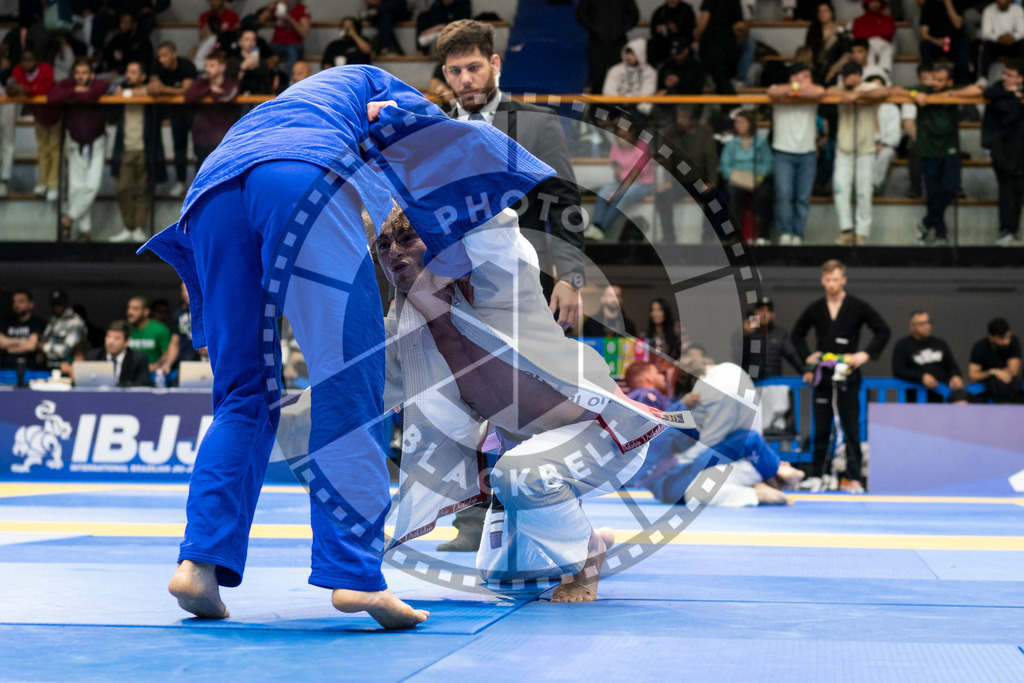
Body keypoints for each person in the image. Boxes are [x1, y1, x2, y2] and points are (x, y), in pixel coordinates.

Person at [140, 65, 553, 627]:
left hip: (209, 198)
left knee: (242, 396)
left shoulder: (292, 107)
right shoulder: (372, 82)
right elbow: (418, 127)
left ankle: (199, 564)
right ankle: (356, 577)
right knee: (351, 381)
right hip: (301, 182)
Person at [367, 210, 692, 600]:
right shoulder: (404, 334)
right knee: (503, 575)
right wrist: (276, 413)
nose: (393, 252)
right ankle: (578, 531)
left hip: (599, 435)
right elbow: (348, 393)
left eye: (407, 237)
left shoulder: (497, 282)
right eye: (383, 245)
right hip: (524, 447)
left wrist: (426, 191)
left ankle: (587, 557)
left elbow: (497, 220)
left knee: (520, 474)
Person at [435, 18, 587, 549]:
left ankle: (546, 514)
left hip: (526, 286)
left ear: (494, 64)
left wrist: (569, 277)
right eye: (454, 71)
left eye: (473, 67)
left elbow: (564, 205)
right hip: (458, 288)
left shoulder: (537, 125)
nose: (465, 79)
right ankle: (472, 519)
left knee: (531, 400)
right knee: (457, 399)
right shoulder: (436, 129)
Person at [630, 356, 804, 507]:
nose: (661, 377)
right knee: (749, 440)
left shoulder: (691, 402)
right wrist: (681, 408)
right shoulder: (651, 399)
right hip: (673, 481)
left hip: (678, 480)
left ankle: (766, 481)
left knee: (747, 440)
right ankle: (771, 477)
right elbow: (659, 444)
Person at [791, 260, 890, 493]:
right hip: (823, 374)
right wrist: (808, 357)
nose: (832, 284)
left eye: (836, 280)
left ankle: (853, 477)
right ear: (822, 280)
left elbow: (882, 330)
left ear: (843, 280)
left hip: (848, 374)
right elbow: (797, 334)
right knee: (821, 427)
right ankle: (817, 475)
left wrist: (865, 354)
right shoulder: (816, 308)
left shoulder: (857, 306)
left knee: (851, 427)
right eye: (828, 280)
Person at [828, 61, 889, 246]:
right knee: (840, 190)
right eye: (843, 75)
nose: (845, 78)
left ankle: (862, 232)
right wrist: (847, 94)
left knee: (864, 191)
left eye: (849, 75)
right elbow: (827, 92)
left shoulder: (869, 87)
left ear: (858, 75)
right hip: (844, 150)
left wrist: (858, 95)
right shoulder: (839, 90)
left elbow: (883, 92)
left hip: (865, 150)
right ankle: (846, 229)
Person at [48, 58, 108, 242]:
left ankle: (69, 217)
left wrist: (75, 95)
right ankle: (85, 231)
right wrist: (74, 91)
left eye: (84, 73)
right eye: (78, 73)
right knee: (76, 189)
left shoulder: (98, 83)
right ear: (74, 74)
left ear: (91, 74)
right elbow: (52, 97)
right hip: (74, 142)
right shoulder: (68, 85)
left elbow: (92, 94)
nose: (81, 77)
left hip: (96, 142)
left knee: (92, 186)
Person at [767, 63, 825, 246]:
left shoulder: (812, 90)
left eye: (809, 76)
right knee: (784, 195)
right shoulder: (780, 88)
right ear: (793, 77)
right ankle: (785, 232)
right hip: (783, 151)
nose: (809, 80)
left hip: (807, 152)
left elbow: (819, 92)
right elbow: (773, 92)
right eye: (804, 76)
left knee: (802, 197)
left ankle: (798, 234)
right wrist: (797, 89)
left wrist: (796, 91)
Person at [109, 60, 167, 243]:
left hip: (146, 148)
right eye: (127, 71)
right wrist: (121, 94)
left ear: (143, 76)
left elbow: (158, 91)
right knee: (123, 187)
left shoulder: (150, 92)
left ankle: (140, 228)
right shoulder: (118, 91)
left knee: (144, 189)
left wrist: (131, 93)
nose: (128, 75)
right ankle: (128, 227)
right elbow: (108, 111)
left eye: (133, 72)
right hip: (125, 148)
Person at [909, 63, 961, 246]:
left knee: (951, 187)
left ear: (950, 82)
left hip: (950, 149)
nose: (935, 83)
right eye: (934, 79)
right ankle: (940, 234)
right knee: (933, 193)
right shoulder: (925, 89)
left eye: (940, 80)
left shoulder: (954, 90)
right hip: (928, 150)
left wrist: (951, 95)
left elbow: (977, 89)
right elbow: (898, 89)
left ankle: (926, 223)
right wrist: (916, 95)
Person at [737, 296, 804, 433]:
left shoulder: (780, 334)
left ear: (773, 314)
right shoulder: (746, 333)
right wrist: (744, 336)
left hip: (773, 388)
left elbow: (793, 356)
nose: (764, 314)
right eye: (760, 310)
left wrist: (806, 371)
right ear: (755, 312)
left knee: (774, 426)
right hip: (751, 387)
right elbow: (735, 359)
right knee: (751, 426)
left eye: (768, 311)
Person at [585, 118, 656, 243]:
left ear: (633, 133)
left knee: (622, 196)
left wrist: (617, 192)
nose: (621, 139)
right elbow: (617, 173)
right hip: (621, 183)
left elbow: (634, 175)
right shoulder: (615, 147)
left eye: (625, 135)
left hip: (642, 184)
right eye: (618, 136)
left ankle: (601, 228)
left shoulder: (643, 146)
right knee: (602, 193)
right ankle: (595, 225)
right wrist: (618, 182)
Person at [6, 49, 59, 202]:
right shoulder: (17, 71)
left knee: (54, 149)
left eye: (29, 60)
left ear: (37, 61)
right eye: (23, 60)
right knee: (42, 148)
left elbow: (46, 89)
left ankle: (53, 185)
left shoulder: (46, 69)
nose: (26, 63)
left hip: (54, 113)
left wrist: (27, 90)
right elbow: (12, 89)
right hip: (39, 115)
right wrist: (13, 90)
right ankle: (43, 182)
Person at [983, 59, 1024, 246]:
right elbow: (1008, 116)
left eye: (1010, 75)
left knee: (1018, 190)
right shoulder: (997, 92)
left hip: (1019, 149)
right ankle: (1006, 229)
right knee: (1006, 189)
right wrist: (1015, 98)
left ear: (1020, 78)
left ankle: (1013, 231)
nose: (1005, 77)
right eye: (1005, 73)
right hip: (1001, 148)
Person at [148, 41, 197, 198]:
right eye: (160, 56)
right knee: (175, 147)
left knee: (195, 148)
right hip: (170, 111)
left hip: (191, 111)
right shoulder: (157, 67)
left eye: (165, 55)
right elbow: (152, 88)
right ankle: (177, 181)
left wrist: (164, 89)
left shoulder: (187, 66)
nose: (161, 59)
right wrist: (169, 90)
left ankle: (198, 182)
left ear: (174, 53)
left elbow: (187, 90)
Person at [719, 110, 773, 245]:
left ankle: (762, 234)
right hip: (736, 181)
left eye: (742, 122)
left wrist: (758, 179)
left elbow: (768, 164)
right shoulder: (731, 144)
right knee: (731, 195)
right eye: (736, 122)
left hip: (757, 179)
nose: (738, 125)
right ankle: (734, 235)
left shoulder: (760, 142)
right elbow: (725, 167)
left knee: (764, 194)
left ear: (750, 124)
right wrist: (736, 178)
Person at [184, 50, 241, 170]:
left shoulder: (231, 84)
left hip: (223, 139)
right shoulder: (201, 83)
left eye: (212, 66)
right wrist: (209, 90)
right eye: (206, 66)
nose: (207, 69)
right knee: (201, 172)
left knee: (223, 172)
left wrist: (211, 95)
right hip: (201, 138)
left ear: (222, 67)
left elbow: (228, 97)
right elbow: (188, 96)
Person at [891, 310, 965, 402]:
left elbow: (952, 365)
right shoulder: (903, 345)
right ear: (912, 327)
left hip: (943, 395)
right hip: (916, 397)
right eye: (921, 324)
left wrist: (955, 375)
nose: (926, 326)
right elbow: (898, 370)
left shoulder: (940, 343)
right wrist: (921, 377)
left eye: (928, 322)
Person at [576, 0, 639, 94]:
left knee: (621, 75)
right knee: (597, 76)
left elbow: (634, 15)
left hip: (619, 42)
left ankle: (618, 107)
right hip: (597, 42)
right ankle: (595, 106)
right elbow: (580, 14)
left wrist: (622, 29)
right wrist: (594, 29)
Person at [694, 0, 745, 95]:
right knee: (721, 77)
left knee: (718, 75)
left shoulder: (709, 2)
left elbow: (704, 19)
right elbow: (739, 25)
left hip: (712, 43)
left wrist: (696, 36)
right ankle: (729, 105)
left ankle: (732, 103)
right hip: (729, 42)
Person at [968, 317, 1022, 403]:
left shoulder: (1013, 342)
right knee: (994, 383)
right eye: (1002, 338)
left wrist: (1000, 373)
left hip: (1010, 381)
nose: (1006, 341)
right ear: (991, 337)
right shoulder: (980, 347)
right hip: (989, 383)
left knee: (1015, 382)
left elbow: (1013, 370)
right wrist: (993, 372)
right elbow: (973, 375)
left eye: (1008, 337)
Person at [84, 320, 153, 387]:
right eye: (108, 336)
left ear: (126, 342)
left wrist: (119, 387)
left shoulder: (138, 359)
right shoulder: (93, 357)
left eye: (117, 338)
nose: (110, 342)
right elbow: (85, 384)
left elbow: (144, 384)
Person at [602, 38, 658, 118]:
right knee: (603, 109)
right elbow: (607, 91)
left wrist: (632, 99)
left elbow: (648, 93)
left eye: (633, 54)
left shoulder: (650, 72)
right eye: (628, 53)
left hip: (638, 107)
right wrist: (621, 98)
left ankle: (629, 128)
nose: (629, 56)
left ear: (640, 53)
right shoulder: (615, 69)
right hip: (618, 105)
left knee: (643, 109)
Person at [920, 0, 972, 85]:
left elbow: (958, 25)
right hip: (936, 43)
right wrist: (936, 41)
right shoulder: (928, 4)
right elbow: (924, 33)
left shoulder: (957, 3)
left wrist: (948, 4)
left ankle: (962, 80)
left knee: (963, 42)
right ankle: (927, 80)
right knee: (924, 44)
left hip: (954, 44)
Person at [866, 73, 901, 196]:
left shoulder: (891, 108)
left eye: (879, 88)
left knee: (885, 154)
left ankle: (874, 186)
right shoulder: (862, 107)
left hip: (886, 146)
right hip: (866, 146)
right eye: (872, 88)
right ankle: (865, 187)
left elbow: (895, 136)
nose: (876, 91)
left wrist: (882, 145)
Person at [40, 290, 88, 371]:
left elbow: (68, 350)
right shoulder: (53, 320)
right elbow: (44, 339)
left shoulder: (74, 322)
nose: (57, 307)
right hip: (49, 367)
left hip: (67, 368)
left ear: (66, 303)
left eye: (59, 304)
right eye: (54, 304)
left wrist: (43, 347)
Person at [260, 0, 310, 73]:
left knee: (292, 53)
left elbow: (305, 33)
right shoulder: (277, 6)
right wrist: (268, 8)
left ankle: (291, 81)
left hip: (293, 44)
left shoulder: (301, 9)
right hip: (276, 44)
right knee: (261, 49)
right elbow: (260, 21)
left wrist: (289, 18)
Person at [979, 0, 1024, 82]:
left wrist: (1013, 37)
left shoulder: (1018, 10)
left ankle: (1022, 76)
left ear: (1010, 1)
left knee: (1022, 44)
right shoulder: (988, 10)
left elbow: (1022, 31)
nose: (1001, 1)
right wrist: (998, 38)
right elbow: (985, 33)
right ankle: (983, 78)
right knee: (987, 44)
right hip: (996, 44)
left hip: (1013, 44)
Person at [0, 289, 45, 370]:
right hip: (6, 371)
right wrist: (20, 341)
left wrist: (9, 348)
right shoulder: (6, 322)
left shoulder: (37, 323)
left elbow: (31, 346)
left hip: (31, 371)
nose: (16, 305)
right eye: (14, 302)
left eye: (21, 301)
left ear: (31, 304)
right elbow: (1, 342)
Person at [125, 295, 172, 372]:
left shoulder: (160, 329)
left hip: (153, 374)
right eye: (129, 308)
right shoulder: (125, 329)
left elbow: (167, 354)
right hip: (128, 373)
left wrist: (154, 366)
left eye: (135, 309)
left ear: (146, 312)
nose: (130, 312)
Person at [806, 2, 848, 86]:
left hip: (834, 69)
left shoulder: (840, 31)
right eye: (820, 12)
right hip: (816, 69)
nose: (822, 14)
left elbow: (847, 54)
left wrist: (833, 70)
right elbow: (808, 51)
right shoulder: (814, 31)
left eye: (825, 11)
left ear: (832, 13)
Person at [102, 12, 154, 77]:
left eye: (125, 23)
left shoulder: (143, 42)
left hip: (132, 75)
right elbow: (107, 55)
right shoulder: (116, 39)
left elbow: (144, 64)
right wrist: (112, 69)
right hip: (113, 73)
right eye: (121, 22)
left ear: (134, 25)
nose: (122, 26)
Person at [852, 0, 896, 74]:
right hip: (867, 44)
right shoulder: (859, 20)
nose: (875, 5)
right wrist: (877, 32)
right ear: (867, 4)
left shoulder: (888, 19)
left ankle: (883, 74)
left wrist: (870, 33)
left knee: (888, 49)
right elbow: (858, 35)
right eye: (872, 2)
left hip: (884, 43)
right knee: (868, 47)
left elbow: (889, 32)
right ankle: (870, 74)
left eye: (877, 2)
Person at [648, 0, 696, 67]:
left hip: (682, 43)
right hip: (663, 44)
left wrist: (676, 31)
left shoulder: (687, 12)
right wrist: (658, 30)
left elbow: (689, 33)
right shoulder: (660, 12)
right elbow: (653, 30)